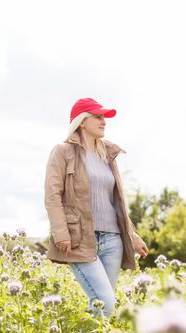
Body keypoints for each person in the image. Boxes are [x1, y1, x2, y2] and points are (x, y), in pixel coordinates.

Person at [44, 97, 149, 318]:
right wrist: (60, 232)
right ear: (82, 121)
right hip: (80, 239)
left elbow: (116, 204)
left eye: (104, 118)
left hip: (113, 241)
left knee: (103, 310)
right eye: (98, 117)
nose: (104, 121)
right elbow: (53, 195)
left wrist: (133, 237)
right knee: (105, 302)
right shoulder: (62, 152)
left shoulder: (107, 155)